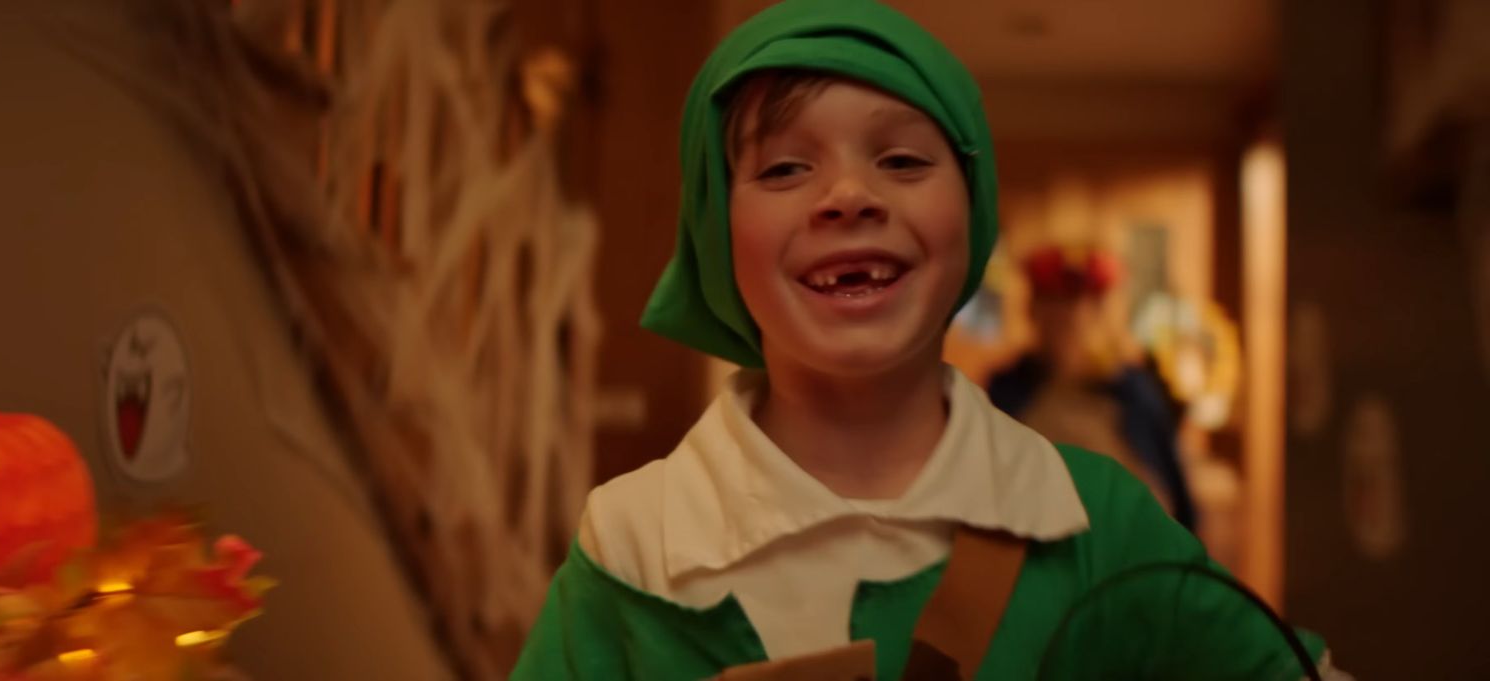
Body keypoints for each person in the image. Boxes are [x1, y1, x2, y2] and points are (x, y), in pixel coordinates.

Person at [513, 1, 1341, 678]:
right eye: (783, 169)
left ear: (972, 216)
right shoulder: (632, 544)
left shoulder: (1096, 522)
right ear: (714, 234)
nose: (847, 194)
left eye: (903, 161)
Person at [987, 245, 1199, 530]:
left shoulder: (1132, 393)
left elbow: (1175, 498)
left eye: (1081, 303)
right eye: (1055, 302)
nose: (1070, 316)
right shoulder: (1007, 391)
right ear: (1033, 309)